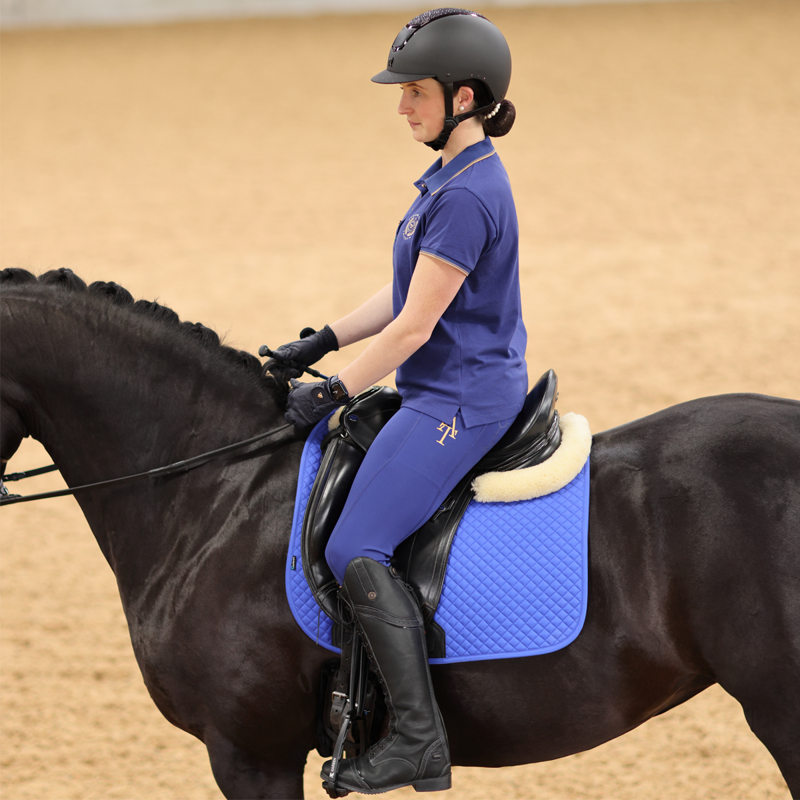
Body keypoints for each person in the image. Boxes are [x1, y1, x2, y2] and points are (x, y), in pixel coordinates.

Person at [267, 8, 527, 795]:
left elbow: (416, 327)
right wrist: (323, 340)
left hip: (460, 397)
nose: (402, 106)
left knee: (354, 547)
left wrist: (334, 391)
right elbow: (404, 292)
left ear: (465, 97)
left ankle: (419, 739)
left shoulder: (468, 195)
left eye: (414, 91)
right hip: (440, 382)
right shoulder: (446, 178)